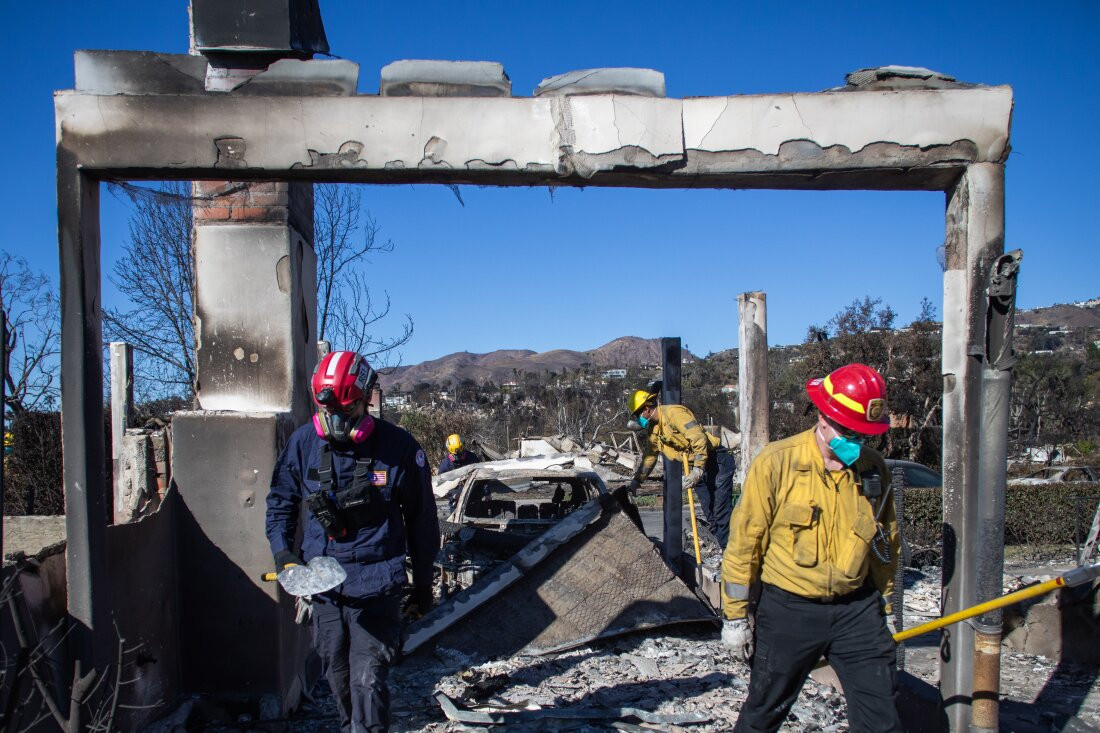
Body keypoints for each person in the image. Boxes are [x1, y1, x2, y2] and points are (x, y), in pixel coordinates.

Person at [720, 363, 901, 733]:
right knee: (763, 712)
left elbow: (887, 541)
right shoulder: (777, 463)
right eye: (847, 430)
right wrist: (735, 616)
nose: (854, 440)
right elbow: (744, 544)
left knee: (881, 720)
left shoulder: (873, 469)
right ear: (823, 417)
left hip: (857, 609)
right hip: (790, 609)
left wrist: (887, 601)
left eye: (862, 433)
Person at [266, 350, 440, 733]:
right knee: (336, 673)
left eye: (347, 411)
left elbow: (422, 521)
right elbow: (280, 502)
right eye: (331, 413)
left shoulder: (400, 449)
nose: (338, 422)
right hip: (324, 585)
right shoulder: (303, 444)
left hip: (378, 584)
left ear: (365, 400)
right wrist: (283, 554)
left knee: (368, 678)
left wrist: (424, 582)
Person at [626, 388, 736, 547]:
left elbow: (698, 439)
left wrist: (698, 469)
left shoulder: (674, 414)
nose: (637, 419)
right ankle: (729, 553)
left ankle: (736, 558)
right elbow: (650, 456)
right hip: (696, 467)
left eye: (637, 415)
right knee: (711, 516)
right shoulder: (654, 429)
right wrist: (637, 480)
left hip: (715, 462)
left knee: (721, 514)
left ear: (647, 409)